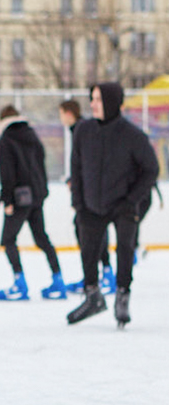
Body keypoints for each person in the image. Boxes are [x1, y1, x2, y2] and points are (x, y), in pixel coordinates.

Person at [66, 82, 158, 328]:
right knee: (88, 249)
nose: (93, 104)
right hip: (91, 204)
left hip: (123, 204)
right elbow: (76, 167)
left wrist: (132, 199)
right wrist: (78, 202)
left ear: (111, 102)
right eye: (92, 99)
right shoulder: (83, 131)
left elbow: (151, 170)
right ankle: (92, 296)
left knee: (125, 249)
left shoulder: (132, 135)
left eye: (97, 99)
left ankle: (122, 296)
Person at [0, 105, 66, 301]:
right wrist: (42, 191)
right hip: (36, 196)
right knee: (42, 237)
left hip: (18, 199)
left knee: (8, 239)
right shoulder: (32, 136)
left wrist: (7, 200)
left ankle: (20, 283)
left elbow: (7, 173)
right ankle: (58, 278)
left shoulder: (5, 141)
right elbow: (41, 165)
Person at [58, 99, 116, 295]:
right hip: (87, 190)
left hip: (93, 193)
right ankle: (95, 274)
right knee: (86, 230)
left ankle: (103, 273)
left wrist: (79, 184)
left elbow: (89, 161)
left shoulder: (83, 130)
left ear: (68, 113)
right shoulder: (79, 129)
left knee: (90, 230)